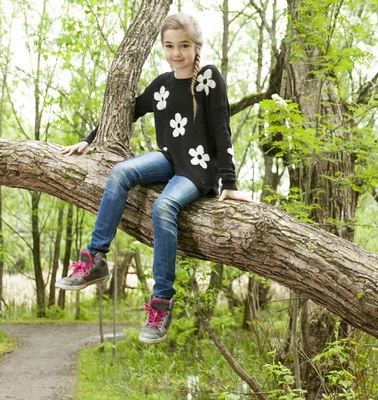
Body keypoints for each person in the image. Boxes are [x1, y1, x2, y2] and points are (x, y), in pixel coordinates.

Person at [57, 12, 249, 344]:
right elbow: (127, 110)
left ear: (196, 45)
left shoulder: (208, 78)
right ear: (163, 46)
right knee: (121, 172)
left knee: (162, 208)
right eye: (170, 46)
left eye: (184, 45)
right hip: (169, 159)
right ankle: (95, 259)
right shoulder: (161, 86)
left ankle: (161, 303)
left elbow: (222, 131)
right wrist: (90, 140)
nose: (176, 53)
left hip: (198, 170)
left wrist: (229, 183)